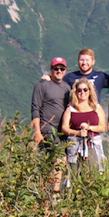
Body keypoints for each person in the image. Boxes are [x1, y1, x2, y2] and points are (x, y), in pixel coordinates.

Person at [30, 57, 70, 196]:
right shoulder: (42, 85)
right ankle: (55, 193)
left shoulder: (66, 87)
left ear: (65, 70)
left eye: (61, 69)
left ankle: (44, 194)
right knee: (60, 158)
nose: (59, 71)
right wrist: (37, 131)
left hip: (62, 132)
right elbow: (35, 108)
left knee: (49, 164)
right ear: (51, 69)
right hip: (48, 129)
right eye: (56, 69)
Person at [63, 49, 109, 166]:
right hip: (75, 127)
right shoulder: (70, 77)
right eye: (82, 60)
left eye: (87, 60)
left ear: (93, 61)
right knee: (75, 167)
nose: (84, 63)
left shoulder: (101, 76)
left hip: (93, 117)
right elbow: (57, 81)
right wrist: (48, 77)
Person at [61, 77, 107, 173]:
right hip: (75, 145)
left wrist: (89, 127)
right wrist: (77, 133)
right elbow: (64, 128)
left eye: (85, 90)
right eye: (79, 90)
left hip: (93, 144)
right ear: (75, 92)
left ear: (90, 91)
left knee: (95, 170)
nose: (82, 92)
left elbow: (103, 127)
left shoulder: (97, 108)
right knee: (74, 171)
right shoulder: (70, 109)